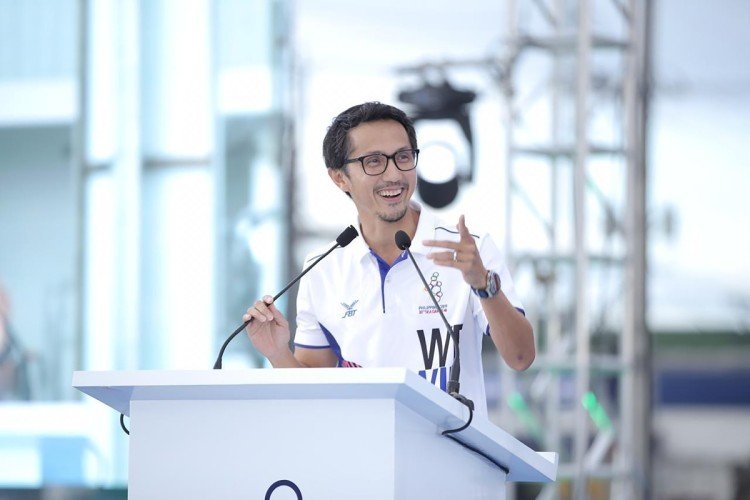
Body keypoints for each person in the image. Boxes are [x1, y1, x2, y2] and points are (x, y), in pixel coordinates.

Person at [243, 102, 534, 414]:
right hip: (361, 445)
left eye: (403, 157)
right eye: (374, 162)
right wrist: (277, 353)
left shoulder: (469, 251)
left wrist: (484, 285)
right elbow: (314, 391)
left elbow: (520, 357)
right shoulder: (322, 267)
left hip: (451, 446)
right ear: (340, 178)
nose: (394, 174)